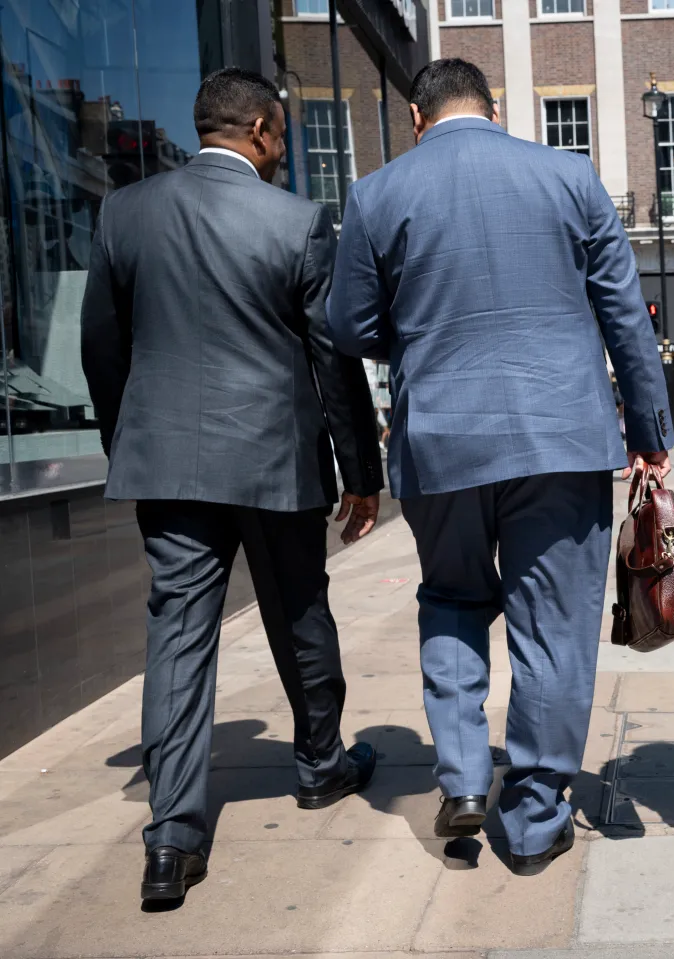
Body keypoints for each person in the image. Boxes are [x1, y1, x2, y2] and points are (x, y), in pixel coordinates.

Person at [327, 59, 672, 876]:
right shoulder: (568, 175)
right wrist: (651, 428)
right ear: (494, 108)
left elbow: (349, 324)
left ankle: (462, 778)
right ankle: (532, 813)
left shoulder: (377, 194)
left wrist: (419, 338)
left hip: (441, 441)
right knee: (552, 625)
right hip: (562, 434)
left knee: (451, 597)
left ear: (417, 117)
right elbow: (622, 307)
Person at [79, 68, 383, 905]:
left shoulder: (125, 213)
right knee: (299, 610)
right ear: (256, 130)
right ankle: (321, 762)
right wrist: (362, 475)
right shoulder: (295, 220)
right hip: (275, 461)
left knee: (178, 632)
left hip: (167, 460)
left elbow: (102, 349)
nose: (282, 149)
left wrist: (130, 444)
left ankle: (172, 837)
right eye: (280, 133)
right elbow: (332, 357)